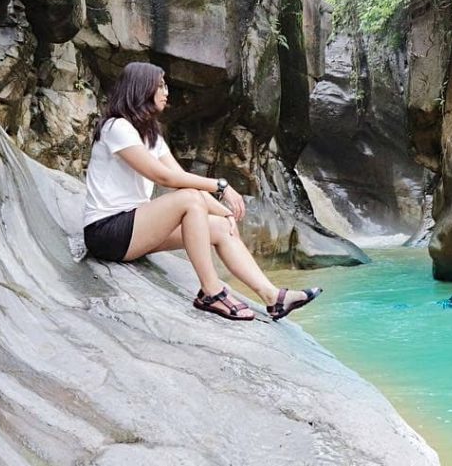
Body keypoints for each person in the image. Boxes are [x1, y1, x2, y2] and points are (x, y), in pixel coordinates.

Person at [82, 61, 321, 322]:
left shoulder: (151, 135)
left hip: (135, 231)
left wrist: (223, 213)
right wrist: (220, 186)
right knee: (190, 200)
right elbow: (163, 177)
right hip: (107, 233)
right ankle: (211, 292)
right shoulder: (117, 127)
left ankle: (273, 297)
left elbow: (180, 180)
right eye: (160, 86)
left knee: (220, 227)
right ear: (141, 89)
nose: (166, 92)